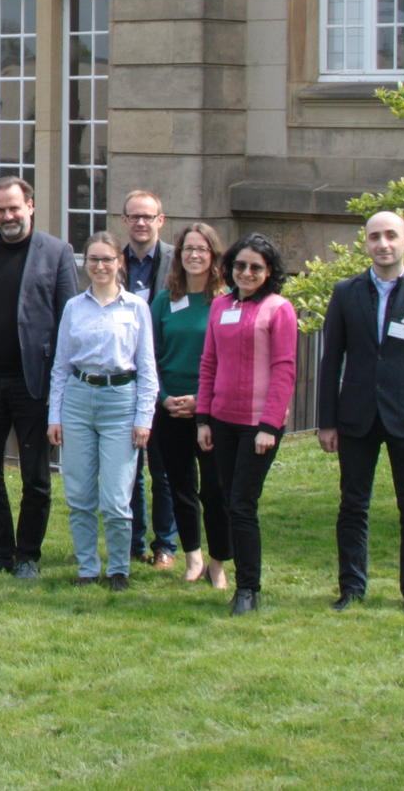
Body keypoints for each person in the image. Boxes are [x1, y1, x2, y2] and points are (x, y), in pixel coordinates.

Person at [318, 211, 404, 618]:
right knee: (352, 505)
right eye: (375, 237)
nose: (383, 244)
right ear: (366, 244)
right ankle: (351, 587)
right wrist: (327, 420)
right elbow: (331, 361)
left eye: (391, 236)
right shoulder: (346, 292)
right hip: (356, 416)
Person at [0, 176, 78, 581]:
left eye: (13, 208)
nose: (7, 217)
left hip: (33, 383)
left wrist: (60, 387)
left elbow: (68, 322)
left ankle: (28, 555)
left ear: (31, 206)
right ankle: (0, 551)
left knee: (35, 477)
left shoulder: (57, 253)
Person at [47, 232, 159, 589]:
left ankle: (119, 569)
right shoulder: (73, 307)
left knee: (115, 497)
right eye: (93, 259)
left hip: (120, 402)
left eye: (107, 259)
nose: (100, 266)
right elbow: (61, 365)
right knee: (79, 494)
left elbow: (147, 368)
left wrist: (144, 418)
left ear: (119, 263)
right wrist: (56, 415)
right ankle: (86, 568)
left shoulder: (136, 308)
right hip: (79, 400)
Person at [197, 232, 298, 615]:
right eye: (240, 265)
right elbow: (209, 363)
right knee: (225, 499)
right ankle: (237, 579)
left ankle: (248, 588)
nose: (247, 272)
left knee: (242, 503)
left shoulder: (279, 308)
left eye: (256, 267)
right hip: (221, 420)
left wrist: (270, 425)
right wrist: (203, 418)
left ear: (268, 271)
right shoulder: (220, 307)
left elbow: (285, 369)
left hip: (258, 426)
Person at [150, 222, 232, 589]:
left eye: (201, 249)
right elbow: (148, 355)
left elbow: (232, 360)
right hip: (170, 407)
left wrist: (202, 401)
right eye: (187, 249)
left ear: (213, 255)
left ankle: (218, 561)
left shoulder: (227, 301)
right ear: (178, 256)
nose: (194, 255)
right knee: (178, 486)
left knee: (215, 488)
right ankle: (192, 556)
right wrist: (164, 397)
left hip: (212, 410)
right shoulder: (164, 300)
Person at [118, 189, 179, 570]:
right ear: (124, 221)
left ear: (161, 220)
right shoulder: (114, 261)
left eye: (148, 216)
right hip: (126, 378)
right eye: (134, 217)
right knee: (130, 470)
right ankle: (134, 541)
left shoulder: (176, 262)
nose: (141, 223)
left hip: (166, 375)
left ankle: (166, 545)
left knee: (164, 469)